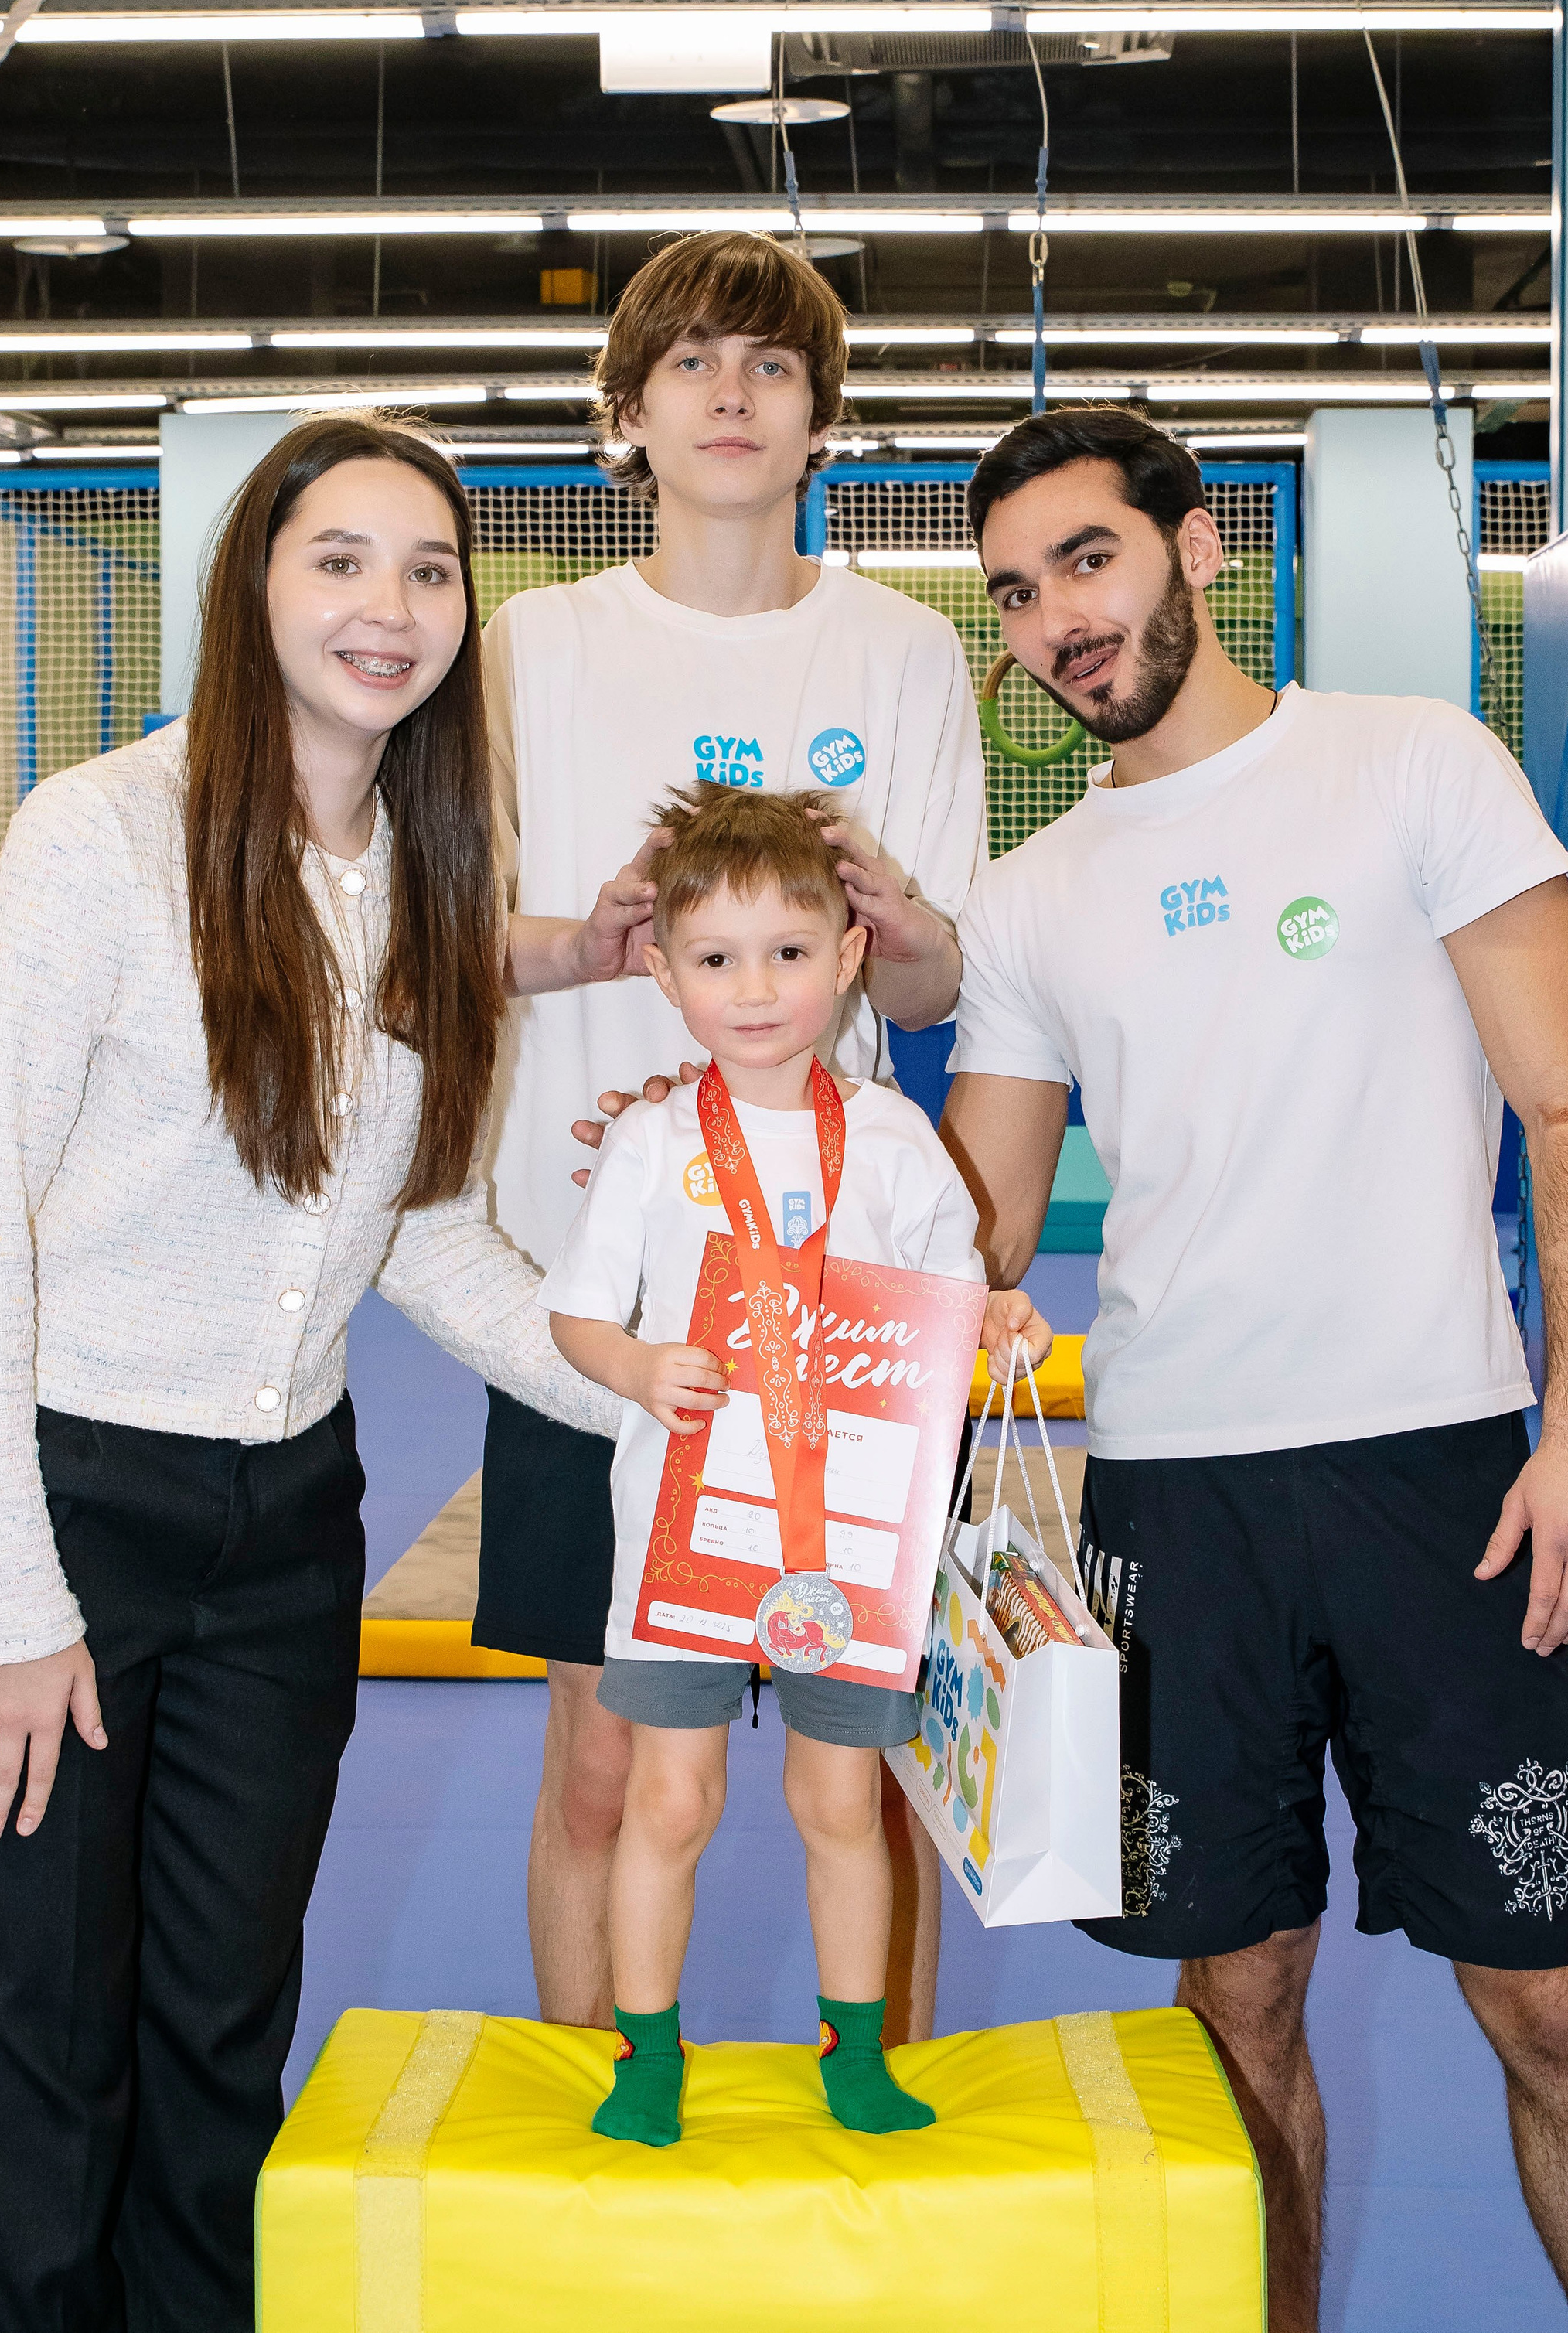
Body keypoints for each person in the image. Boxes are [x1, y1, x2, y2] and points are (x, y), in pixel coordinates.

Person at [0, 414, 651, 2333]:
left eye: (424, 569)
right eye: (338, 560)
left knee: (224, 2042)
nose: (385, 607)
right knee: (38, 2063)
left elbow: (416, 1233)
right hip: (61, 1510)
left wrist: (664, 1389)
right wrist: (4, 1599)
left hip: (286, 1534)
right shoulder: (100, 836)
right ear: (253, 587)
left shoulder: (422, 875)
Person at [935, 405, 1568, 2333]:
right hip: (1171, 1505)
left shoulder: (1410, 765)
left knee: (1548, 1999)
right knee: (1230, 2000)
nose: (1054, 621)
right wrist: (735, 1158)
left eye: (1085, 559)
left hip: (1436, 1475)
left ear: (1198, 548)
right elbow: (975, 1231)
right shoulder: (1032, 896)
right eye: (1013, 594)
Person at [476, 229, 987, 2037]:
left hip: (840, 1312)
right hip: (612, 1300)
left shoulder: (907, 651)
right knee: (608, 1773)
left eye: (767, 366)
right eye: (687, 364)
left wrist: (896, 907)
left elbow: (928, 993)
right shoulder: (525, 645)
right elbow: (440, 939)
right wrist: (592, 941)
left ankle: (880, 2124)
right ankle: (593, 2112)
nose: (727, 395)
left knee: (859, 1779)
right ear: (625, 414)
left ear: (819, 417)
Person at [542, 783, 1048, 2146]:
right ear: (662, 973)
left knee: (845, 1803)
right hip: (687, 1538)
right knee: (670, 1795)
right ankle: (648, 2053)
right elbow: (578, 1316)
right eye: (714, 959)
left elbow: (953, 1296)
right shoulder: (652, 1144)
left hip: (852, 1550)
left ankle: (856, 2053)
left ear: (848, 957)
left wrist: (999, 1314)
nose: (754, 989)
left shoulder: (891, 1138)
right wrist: (641, 1368)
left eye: (787, 953)